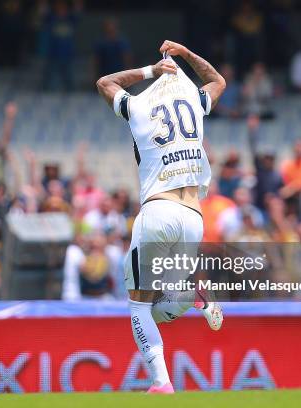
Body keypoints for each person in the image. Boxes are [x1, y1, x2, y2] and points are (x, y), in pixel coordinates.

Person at [96, 39, 226, 394]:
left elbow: (105, 83)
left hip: (158, 208)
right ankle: (192, 295)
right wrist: (186, 54)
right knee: (159, 307)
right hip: (192, 216)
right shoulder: (195, 104)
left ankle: (160, 383)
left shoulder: (139, 106)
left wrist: (149, 70)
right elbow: (218, 82)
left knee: (139, 307)